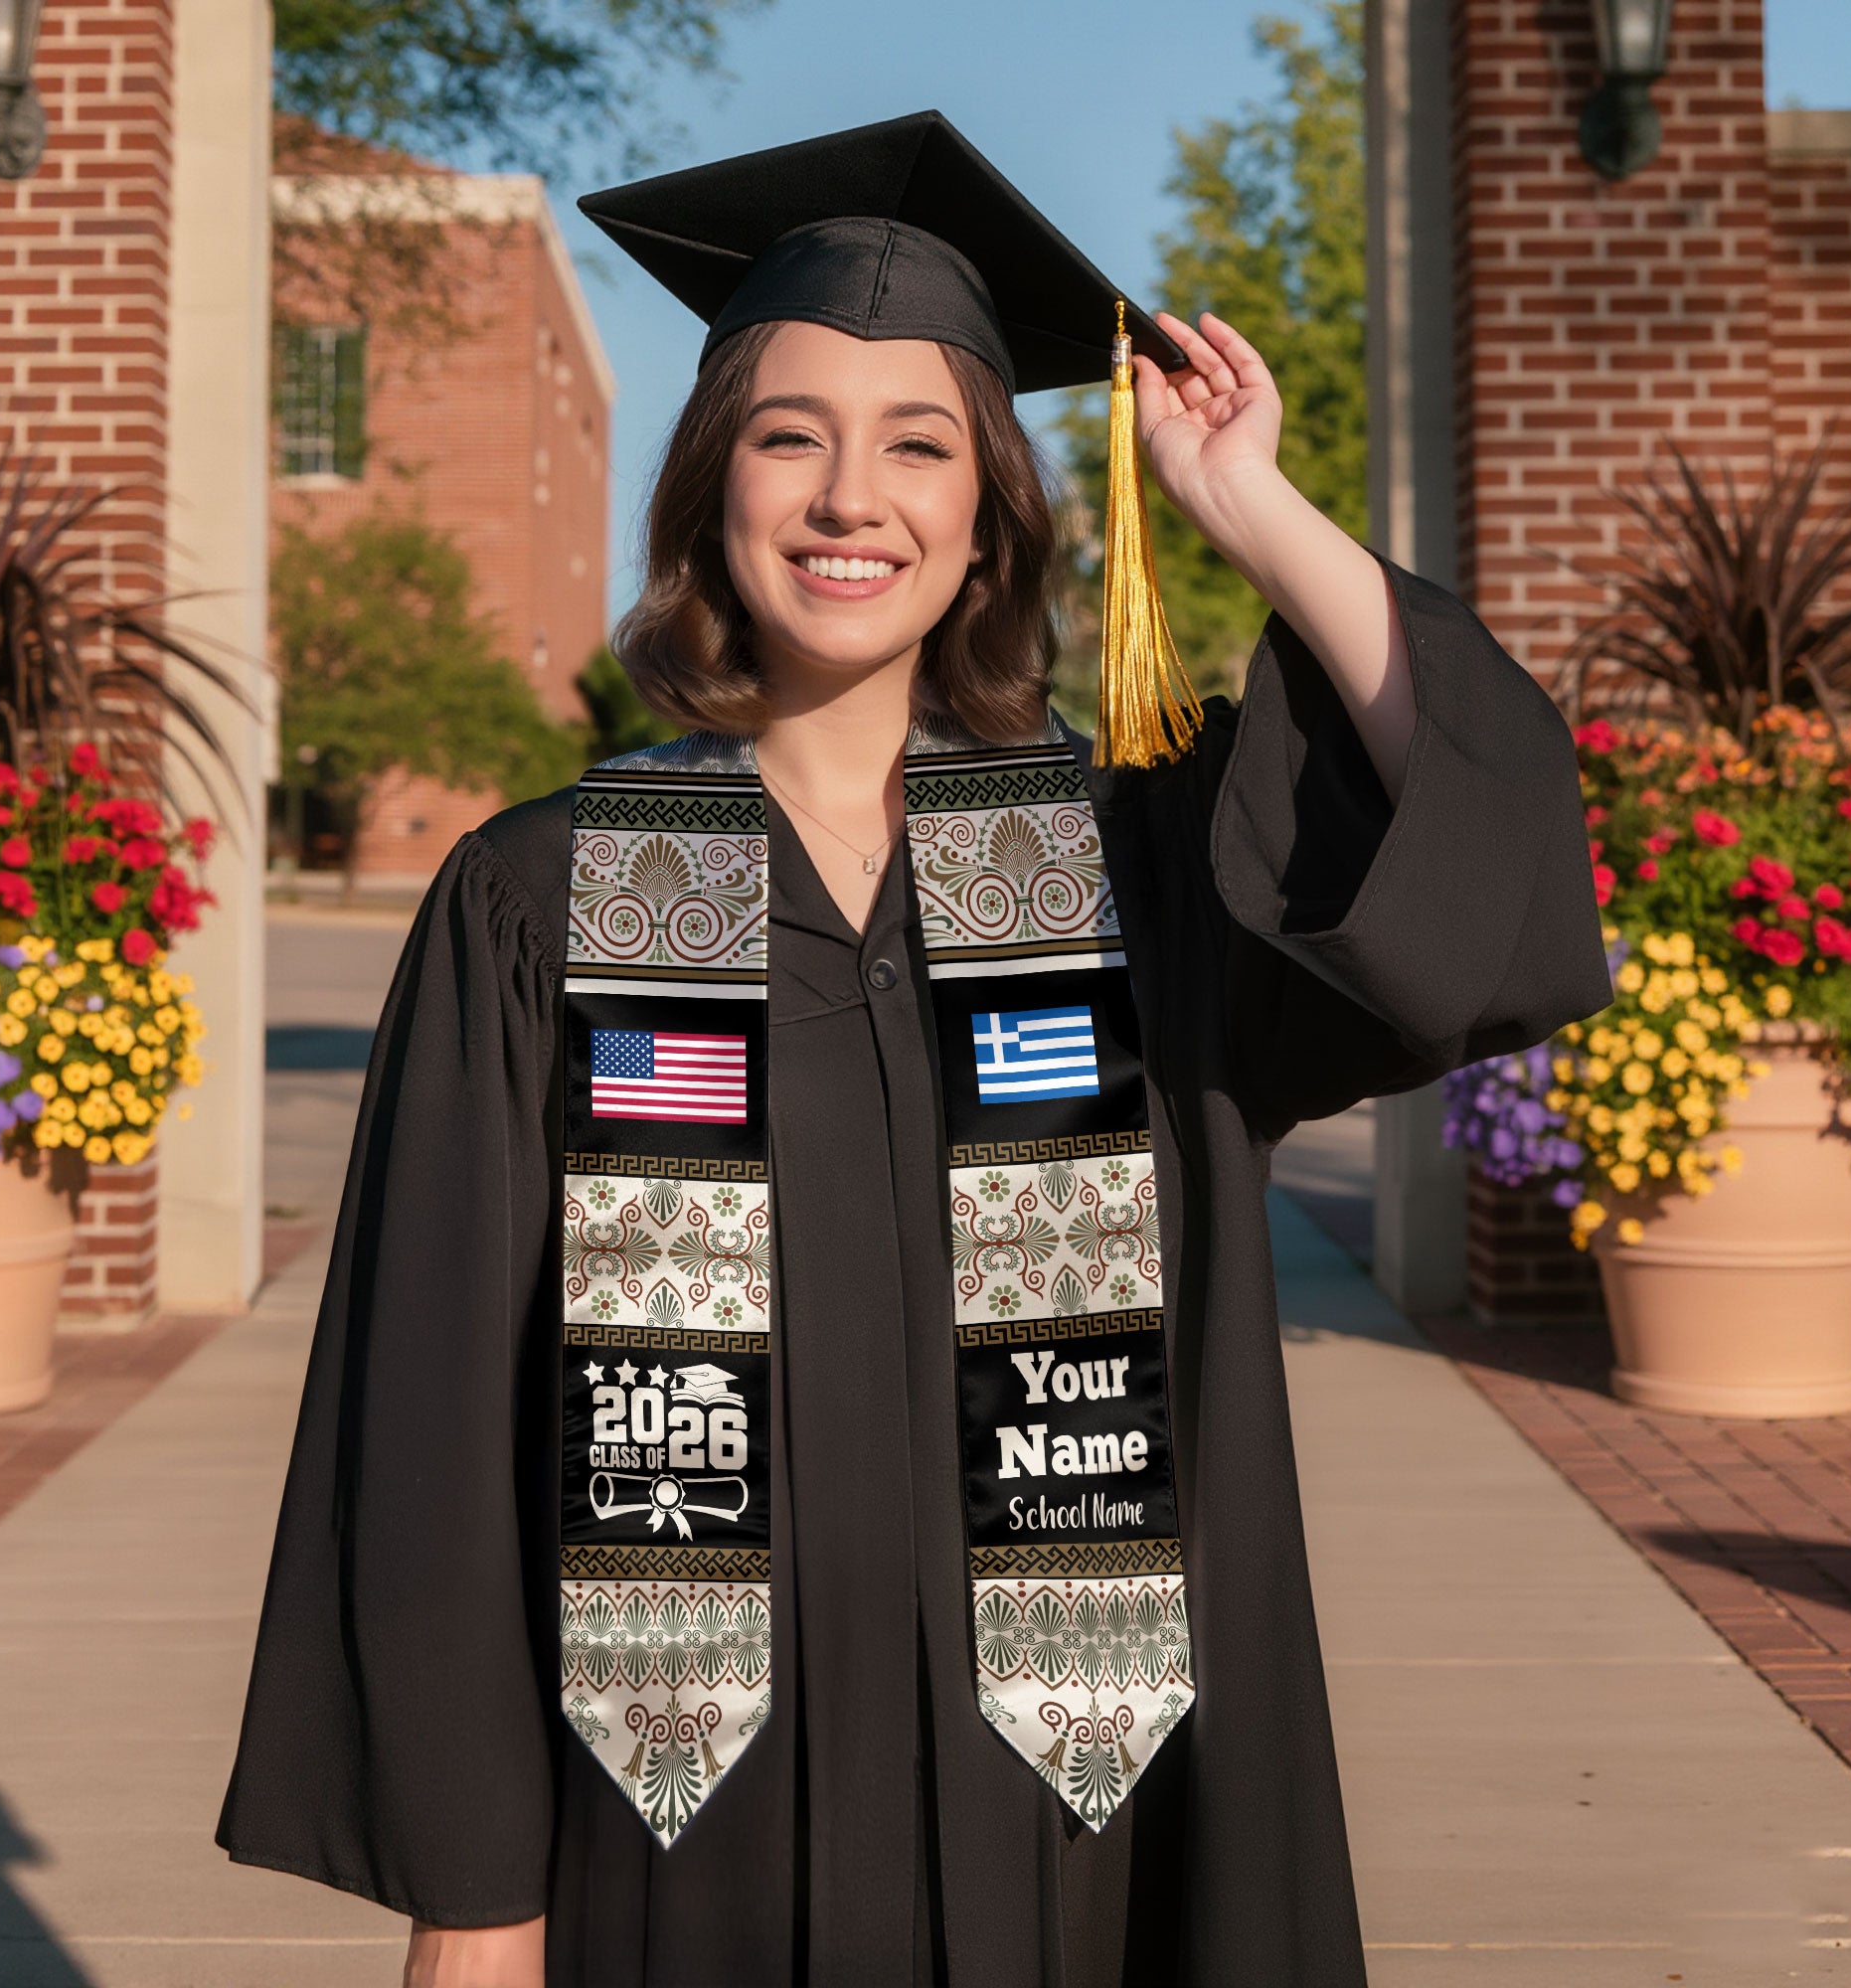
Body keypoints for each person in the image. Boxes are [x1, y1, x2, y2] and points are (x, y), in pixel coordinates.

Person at [215, 111, 1612, 1988]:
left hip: (1089, 1824)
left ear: (987, 518)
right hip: (676, 1825)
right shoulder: (545, 899)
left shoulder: (1136, 875)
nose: (848, 497)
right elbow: (437, 1423)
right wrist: (475, 1896)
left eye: (918, 445)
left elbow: (1476, 852)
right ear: (715, 486)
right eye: (791, 436)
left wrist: (1247, 506)